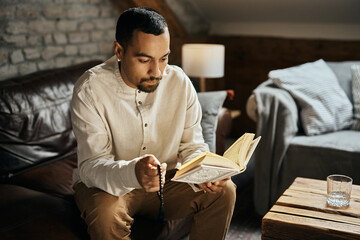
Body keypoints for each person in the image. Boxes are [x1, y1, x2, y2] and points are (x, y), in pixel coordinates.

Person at [71, 7, 236, 240]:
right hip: (108, 186)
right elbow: (91, 166)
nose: (157, 71)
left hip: (166, 182)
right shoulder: (90, 88)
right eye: (144, 59)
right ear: (119, 50)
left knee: (224, 191)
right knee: (106, 214)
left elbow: (193, 146)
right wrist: (134, 172)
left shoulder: (180, 82)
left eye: (164, 58)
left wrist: (204, 171)